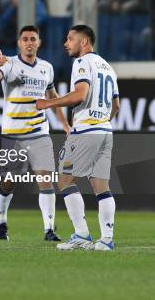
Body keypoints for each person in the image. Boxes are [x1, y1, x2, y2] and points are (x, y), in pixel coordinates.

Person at [36, 24, 119, 251]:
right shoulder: (108, 67)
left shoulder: (82, 63)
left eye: (70, 39)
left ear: (84, 42)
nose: (66, 43)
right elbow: (116, 104)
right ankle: (106, 239)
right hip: (104, 131)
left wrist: (48, 103)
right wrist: (102, 121)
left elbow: (80, 95)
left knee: (65, 181)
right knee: (101, 186)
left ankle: (82, 235)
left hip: (85, 132)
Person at [0, 25, 70, 241]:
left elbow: (53, 98)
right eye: (25, 39)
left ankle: (49, 229)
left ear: (39, 42)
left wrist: (65, 125)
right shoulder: (10, 63)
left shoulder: (46, 68)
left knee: (45, 179)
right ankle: (0, 220)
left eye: (33, 39)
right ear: (19, 43)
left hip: (39, 132)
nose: (29, 42)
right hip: (13, 132)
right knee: (8, 181)